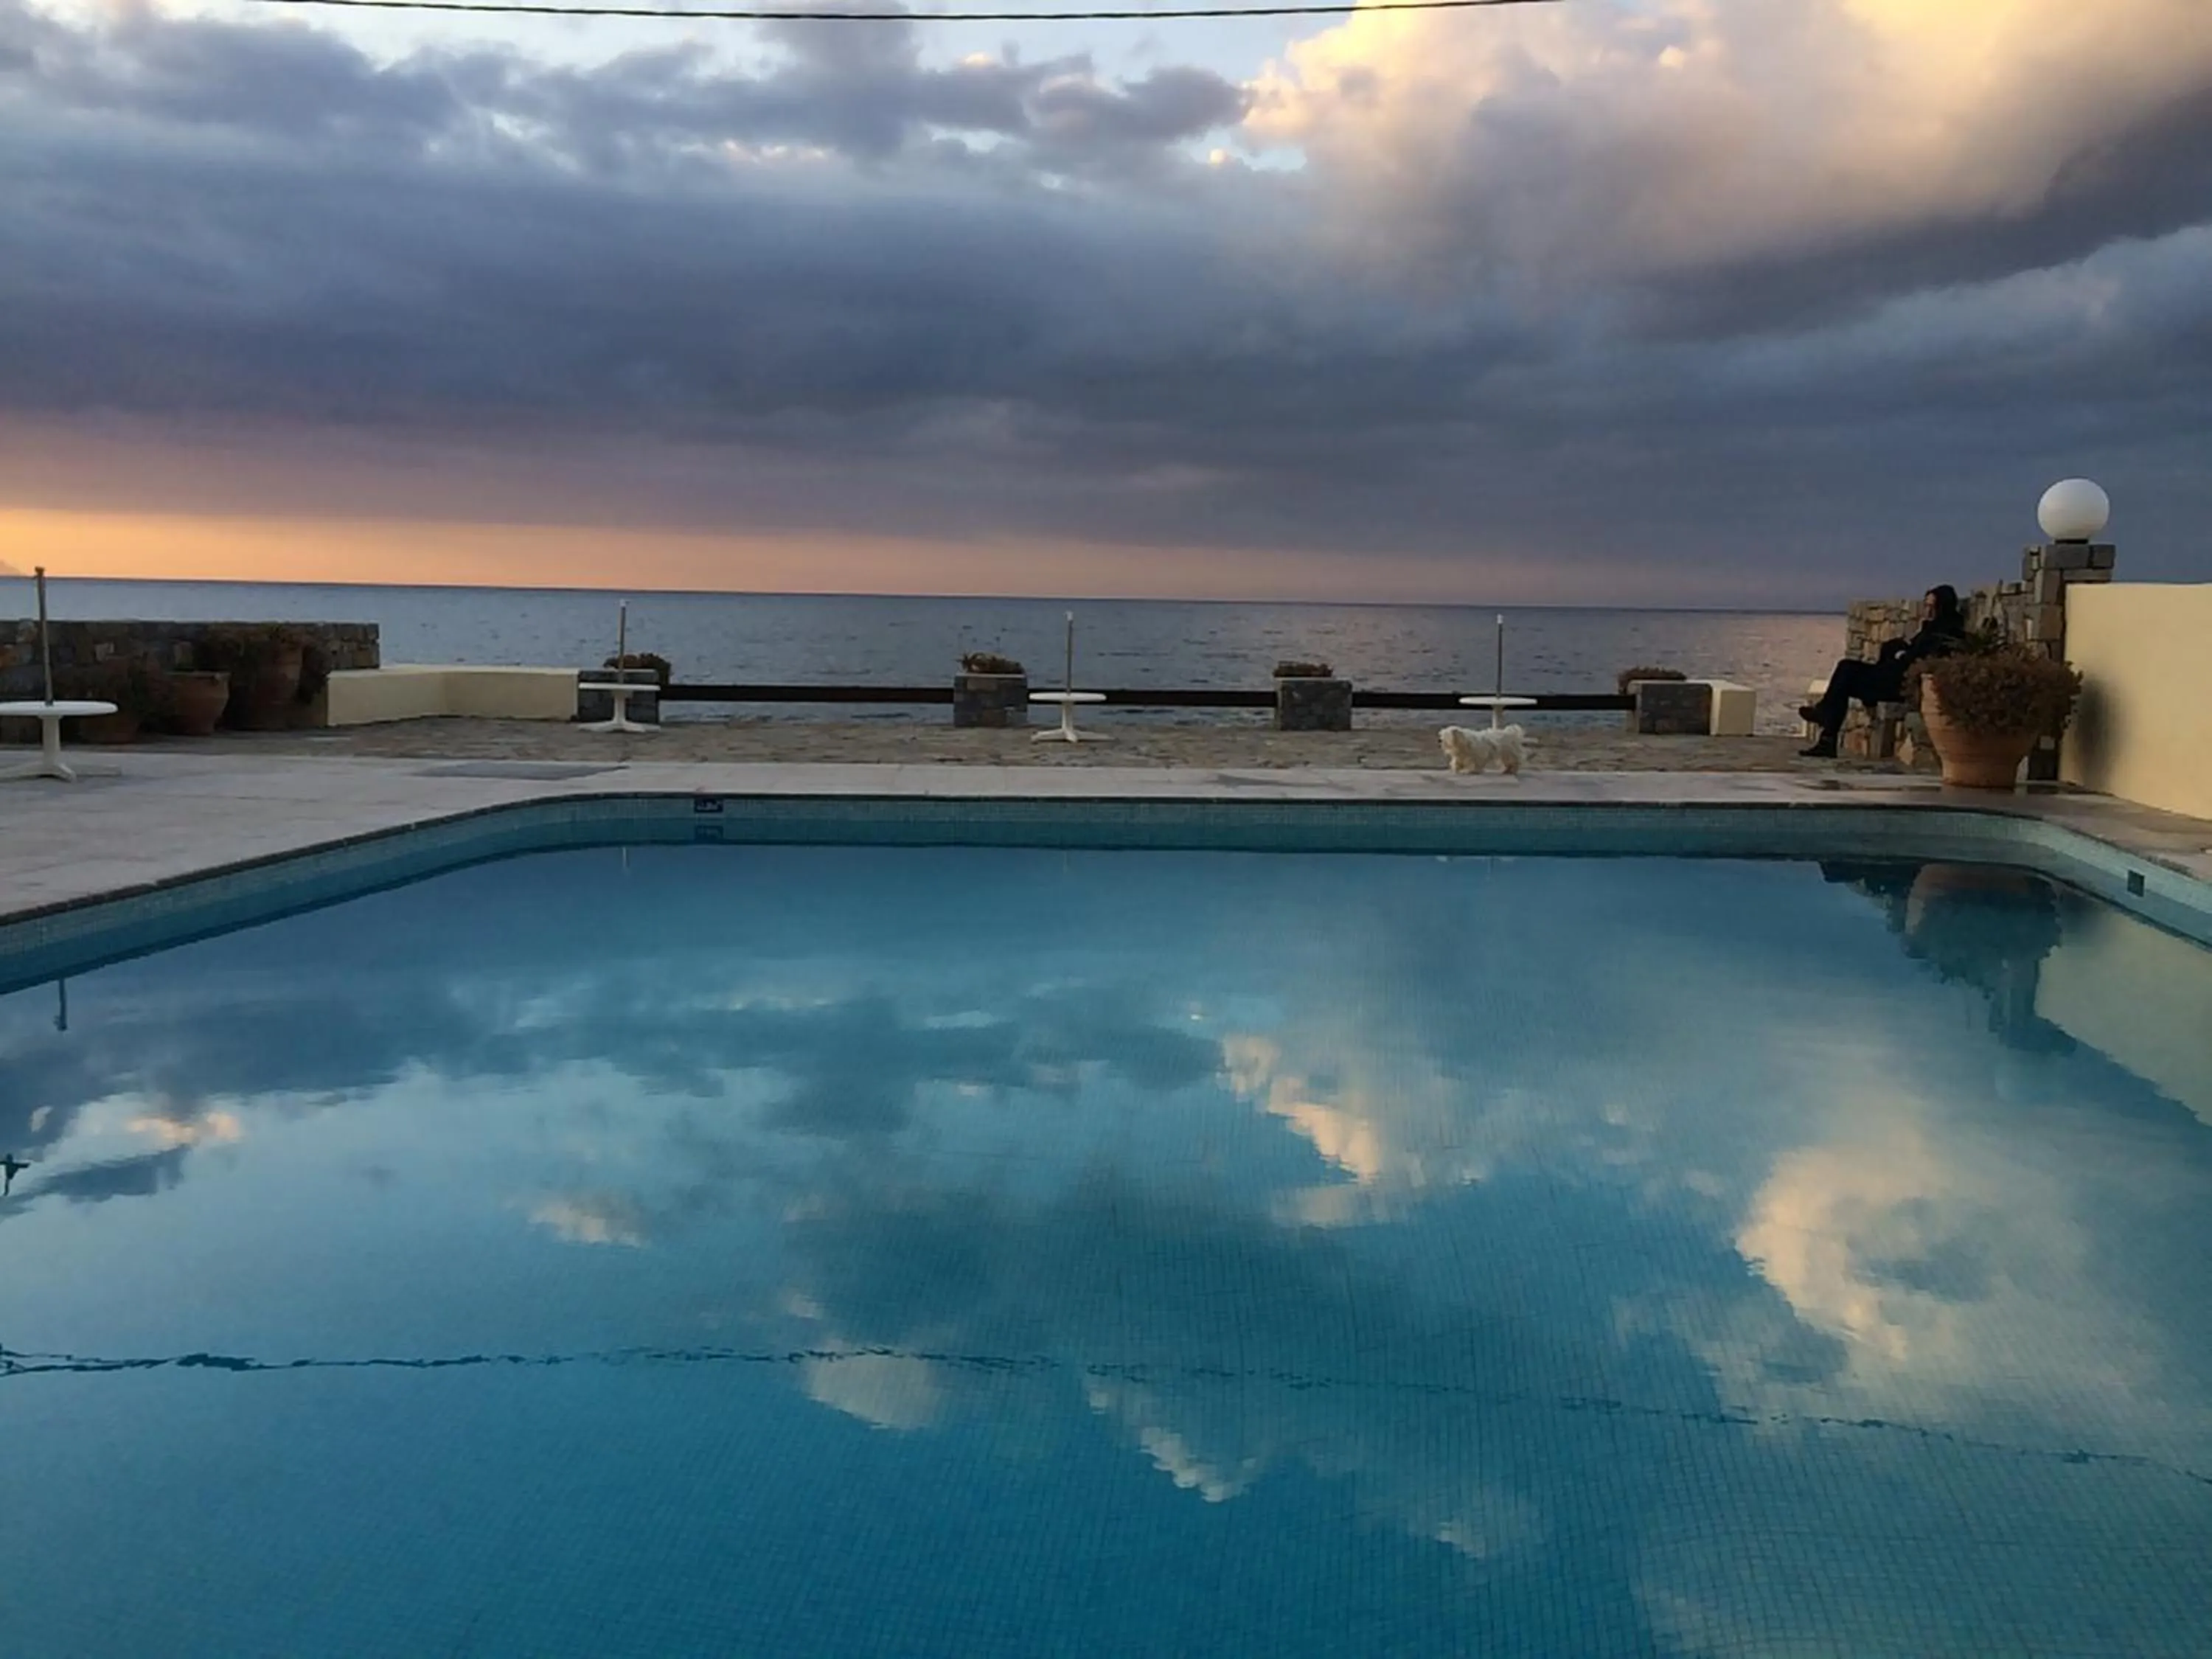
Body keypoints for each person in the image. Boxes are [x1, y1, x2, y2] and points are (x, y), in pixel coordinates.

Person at [1799, 585, 1967, 757]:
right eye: (1926, 605)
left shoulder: (1947, 631)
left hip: (1901, 684)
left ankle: (1825, 724)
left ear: (1943, 606)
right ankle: (1827, 737)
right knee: (1845, 674)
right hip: (1892, 675)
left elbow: (1925, 657)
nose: (1927, 611)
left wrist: (1903, 655)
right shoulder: (1930, 628)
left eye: (1932, 606)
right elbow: (1911, 648)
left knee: (1846, 672)